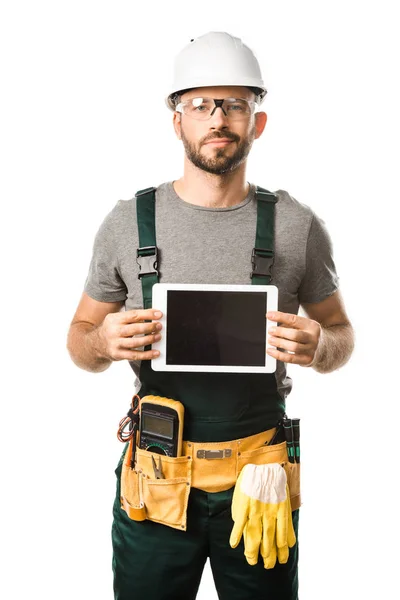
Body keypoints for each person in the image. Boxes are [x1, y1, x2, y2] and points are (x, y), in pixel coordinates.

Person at [67, 31, 354, 600]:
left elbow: (342, 335)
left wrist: (321, 346)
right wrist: (101, 342)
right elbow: (78, 341)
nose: (217, 118)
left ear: (257, 122)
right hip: (156, 479)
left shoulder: (296, 227)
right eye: (199, 104)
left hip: (260, 478)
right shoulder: (128, 224)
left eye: (235, 105)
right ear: (177, 121)